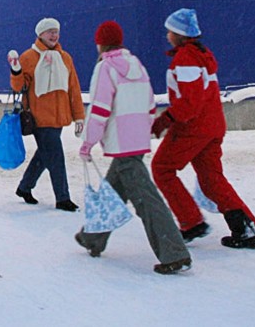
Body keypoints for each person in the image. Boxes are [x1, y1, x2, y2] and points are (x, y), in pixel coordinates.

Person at [75, 21, 192, 275]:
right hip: (137, 140)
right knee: (114, 189)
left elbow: (99, 109)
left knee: (146, 200)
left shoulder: (105, 68)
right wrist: (144, 129)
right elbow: (150, 103)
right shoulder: (137, 65)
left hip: (121, 142)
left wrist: (88, 142)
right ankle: (93, 237)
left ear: (100, 43)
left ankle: (174, 252)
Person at [151, 8, 255, 249]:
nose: (167, 35)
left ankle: (191, 222)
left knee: (162, 168)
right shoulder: (202, 55)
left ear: (179, 33)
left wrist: (166, 119)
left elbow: (190, 103)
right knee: (211, 179)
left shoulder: (186, 59)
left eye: (170, 31)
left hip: (193, 127)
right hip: (212, 125)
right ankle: (245, 227)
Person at [8, 17, 85, 211]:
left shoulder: (65, 58)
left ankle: (24, 187)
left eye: (56, 31)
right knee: (56, 156)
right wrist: (16, 69)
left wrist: (79, 116)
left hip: (59, 117)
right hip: (39, 117)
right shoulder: (29, 57)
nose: (54, 35)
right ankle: (62, 198)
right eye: (49, 31)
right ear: (40, 34)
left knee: (45, 154)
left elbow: (73, 88)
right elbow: (19, 87)